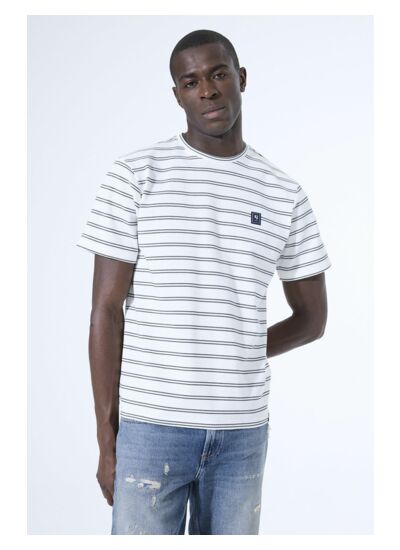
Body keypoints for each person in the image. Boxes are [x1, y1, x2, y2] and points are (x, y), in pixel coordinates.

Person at [76, 29, 332, 535]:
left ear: (241, 78)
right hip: (151, 427)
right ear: (178, 95)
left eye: (218, 74)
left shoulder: (283, 193)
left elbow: (312, 319)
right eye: (191, 82)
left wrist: (235, 350)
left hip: (242, 434)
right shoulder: (135, 176)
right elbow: (105, 311)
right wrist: (107, 440)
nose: (208, 90)